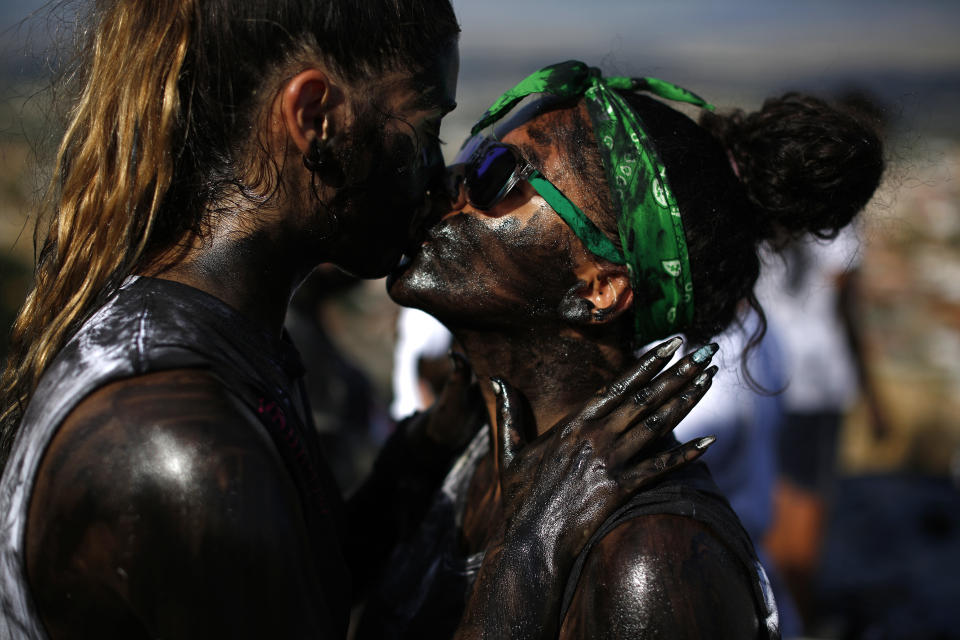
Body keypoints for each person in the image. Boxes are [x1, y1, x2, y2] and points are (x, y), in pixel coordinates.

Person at [0, 5, 716, 639]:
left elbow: (297, 580)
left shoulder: (232, 344)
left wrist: (419, 460)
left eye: (493, 171)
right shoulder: (178, 445)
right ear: (315, 120)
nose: (441, 174)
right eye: (429, 125)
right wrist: (531, 545)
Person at [373, 60, 885, 637]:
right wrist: (413, 462)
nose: (452, 181)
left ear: (599, 287)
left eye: (496, 172)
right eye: (474, 152)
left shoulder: (652, 562)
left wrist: (528, 551)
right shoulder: (465, 454)